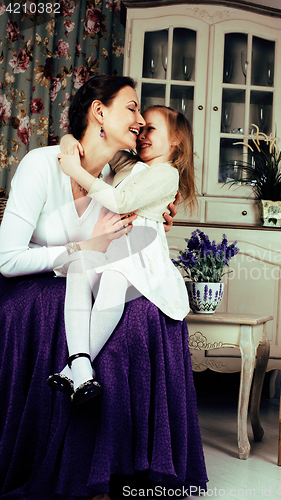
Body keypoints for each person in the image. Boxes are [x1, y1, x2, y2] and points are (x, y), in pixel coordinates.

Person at [0, 75, 207, 500]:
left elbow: (142, 199)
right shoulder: (43, 165)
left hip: (94, 270)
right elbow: (7, 260)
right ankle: (74, 459)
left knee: (144, 311)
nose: (139, 122)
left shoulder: (120, 173)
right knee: (73, 301)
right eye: (133, 110)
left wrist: (153, 221)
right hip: (37, 279)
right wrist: (80, 246)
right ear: (99, 113)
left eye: (146, 121)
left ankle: (127, 466)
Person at [50, 104, 197, 406]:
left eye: (151, 129)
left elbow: (120, 200)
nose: (141, 135)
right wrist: (68, 144)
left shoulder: (167, 174)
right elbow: (89, 142)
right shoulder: (127, 163)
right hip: (111, 239)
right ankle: (79, 367)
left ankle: (74, 367)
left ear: (177, 139)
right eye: (140, 129)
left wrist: (74, 170)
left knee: (116, 277)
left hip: (138, 248)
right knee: (78, 268)